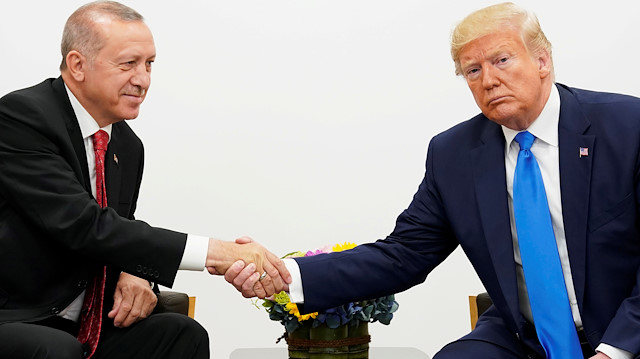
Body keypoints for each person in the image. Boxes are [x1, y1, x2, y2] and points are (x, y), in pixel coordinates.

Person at [227, 2, 640, 359]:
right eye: (472, 70)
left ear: (542, 61)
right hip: (523, 336)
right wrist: (285, 275)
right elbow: (403, 254)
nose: (488, 80)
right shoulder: (455, 154)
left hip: (626, 329)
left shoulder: (627, 127)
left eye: (501, 60)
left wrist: (615, 349)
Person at [0, 1, 290, 359]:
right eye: (128, 64)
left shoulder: (126, 144)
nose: (143, 79)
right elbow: (82, 224)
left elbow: (122, 229)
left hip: (91, 321)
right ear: (77, 65)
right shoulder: (22, 118)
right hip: (18, 317)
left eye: (149, 64)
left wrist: (135, 271)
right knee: (56, 350)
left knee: (181, 334)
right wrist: (218, 252)